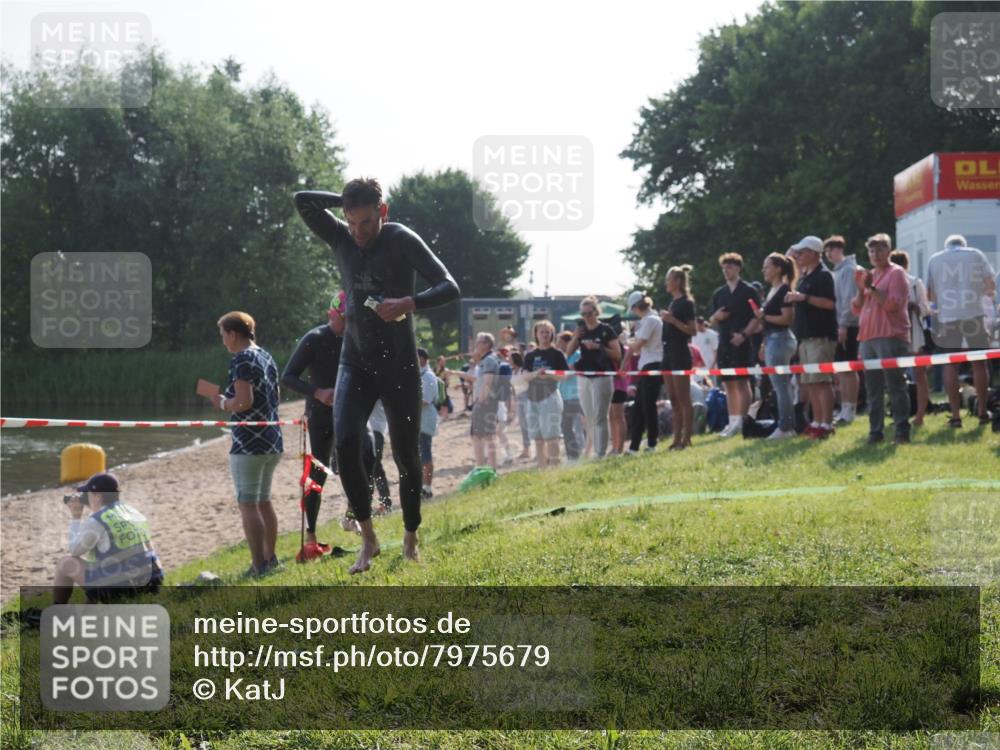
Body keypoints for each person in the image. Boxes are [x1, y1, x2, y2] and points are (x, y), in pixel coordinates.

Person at [294, 178, 460, 574]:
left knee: (406, 458)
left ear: (382, 213)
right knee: (347, 441)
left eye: (366, 222)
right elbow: (303, 201)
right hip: (355, 361)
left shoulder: (401, 239)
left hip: (399, 364)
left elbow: (450, 286)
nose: (358, 232)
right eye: (351, 221)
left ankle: (411, 534)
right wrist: (346, 203)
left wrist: (410, 302)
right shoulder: (342, 238)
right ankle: (368, 539)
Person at [217, 311, 284, 576]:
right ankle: (271, 559)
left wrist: (223, 402)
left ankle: (258, 566)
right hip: (273, 438)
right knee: (264, 502)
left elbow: (244, 402)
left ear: (233, 334)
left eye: (223, 335)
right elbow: (276, 397)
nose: (223, 341)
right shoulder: (266, 356)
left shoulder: (241, 359)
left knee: (248, 503)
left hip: (248, 443)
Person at [281, 292, 345, 561]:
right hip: (319, 415)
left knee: (363, 459)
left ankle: (359, 521)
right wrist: (317, 392)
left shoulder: (356, 338)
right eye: (344, 319)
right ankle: (311, 536)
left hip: (348, 413)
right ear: (332, 314)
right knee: (316, 475)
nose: (349, 324)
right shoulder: (315, 339)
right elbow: (288, 377)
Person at [53, 473, 163, 604]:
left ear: (98, 496)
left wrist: (76, 517)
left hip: (123, 589)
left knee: (66, 563)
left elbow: (74, 550)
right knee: (104, 567)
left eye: (88, 494)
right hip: (153, 583)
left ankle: (57, 610)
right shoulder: (133, 512)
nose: (86, 497)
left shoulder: (97, 520)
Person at [925, 234, 997, 427]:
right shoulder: (976, 254)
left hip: (948, 316)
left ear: (946, 245)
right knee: (979, 364)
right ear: (963, 244)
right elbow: (991, 286)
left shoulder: (935, 259)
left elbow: (930, 295)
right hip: (973, 313)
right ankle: (982, 412)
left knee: (950, 364)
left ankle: (955, 416)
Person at [851, 234, 912, 444]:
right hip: (868, 337)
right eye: (871, 251)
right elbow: (857, 308)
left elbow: (893, 305)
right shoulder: (869, 275)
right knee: (872, 388)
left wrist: (873, 289)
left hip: (890, 336)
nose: (875, 255)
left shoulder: (896, 274)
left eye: (880, 250)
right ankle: (875, 431)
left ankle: (902, 430)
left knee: (895, 385)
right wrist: (862, 289)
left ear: (889, 251)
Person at [785, 237, 838, 439]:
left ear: (815, 253)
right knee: (811, 382)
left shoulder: (823, 276)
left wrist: (804, 298)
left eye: (802, 252)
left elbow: (829, 304)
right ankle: (817, 420)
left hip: (820, 336)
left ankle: (826, 423)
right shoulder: (805, 277)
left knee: (822, 381)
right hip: (806, 337)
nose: (797, 256)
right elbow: (788, 258)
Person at [708, 253, 761, 437]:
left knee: (742, 381)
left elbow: (757, 317)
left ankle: (743, 420)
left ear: (738, 268)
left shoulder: (749, 291)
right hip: (724, 343)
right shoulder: (719, 293)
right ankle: (732, 422)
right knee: (728, 384)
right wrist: (717, 317)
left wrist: (744, 334)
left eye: (729, 267)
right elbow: (710, 320)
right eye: (723, 268)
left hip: (742, 342)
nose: (726, 271)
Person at [566, 296, 621, 458]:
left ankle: (600, 452)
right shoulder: (581, 331)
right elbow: (568, 353)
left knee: (600, 415)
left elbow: (617, 355)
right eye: (583, 314)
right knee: (589, 417)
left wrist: (599, 347)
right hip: (584, 376)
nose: (586, 317)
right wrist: (575, 337)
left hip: (602, 375)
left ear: (596, 312)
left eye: (589, 313)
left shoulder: (606, 329)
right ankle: (597, 449)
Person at [754, 253, 798, 439]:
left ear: (778, 269)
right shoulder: (773, 290)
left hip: (780, 339)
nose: (764, 270)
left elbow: (787, 318)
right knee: (781, 385)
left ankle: (786, 427)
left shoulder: (784, 290)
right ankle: (786, 425)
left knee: (781, 386)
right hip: (773, 339)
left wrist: (764, 316)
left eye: (767, 266)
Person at [890, 249, 932, 426]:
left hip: (913, 333)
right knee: (895, 376)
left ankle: (920, 415)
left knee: (919, 374)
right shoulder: (887, 281)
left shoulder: (915, 283)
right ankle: (900, 415)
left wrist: (913, 306)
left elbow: (925, 309)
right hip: (893, 332)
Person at [823, 235, 861, 425]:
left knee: (848, 368)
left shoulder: (848, 270)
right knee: (842, 369)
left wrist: (844, 324)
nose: (828, 254)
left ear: (840, 249)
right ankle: (845, 407)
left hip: (849, 325)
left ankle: (850, 409)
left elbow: (848, 300)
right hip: (839, 324)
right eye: (826, 251)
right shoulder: (837, 271)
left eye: (831, 249)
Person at [661, 266, 698, 450]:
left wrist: (672, 321)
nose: (666, 283)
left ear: (677, 281)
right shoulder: (672, 303)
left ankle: (687, 438)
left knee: (684, 398)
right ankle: (676, 439)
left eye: (669, 279)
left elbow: (693, 330)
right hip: (667, 354)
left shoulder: (686, 303)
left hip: (680, 353)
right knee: (673, 399)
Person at [522, 320, 568, 468]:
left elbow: (564, 376)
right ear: (536, 334)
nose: (545, 335)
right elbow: (524, 376)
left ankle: (555, 467)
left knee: (552, 436)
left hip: (550, 396)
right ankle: (542, 468)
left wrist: (548, 375)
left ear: (552, 334)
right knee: (538, 437)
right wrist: (536, 374)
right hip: (532, 397)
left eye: (547, 332)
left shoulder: (557, 354)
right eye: (541, 332)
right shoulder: (530, 355)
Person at [626, 291, 664, 452]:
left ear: (636, 307)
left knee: (647, 407)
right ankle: (635, 446)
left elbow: (637, 346)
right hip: (647, 366)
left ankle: (651, 444)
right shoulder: (648, 320)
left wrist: (625, 341)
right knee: (640, 408)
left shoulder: (650, 320)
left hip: (653, 366)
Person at [466, 332, 501, 469]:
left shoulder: (489, 360)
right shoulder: (487, 360)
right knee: (486, 436)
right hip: (488, 402)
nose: (476, 344)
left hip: (485, 403)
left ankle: (483, 468)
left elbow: (488, 383)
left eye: (479, 342)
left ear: (487, 344)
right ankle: (487, 467)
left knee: (480, 436)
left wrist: (480, 402)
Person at [555, 331, 585, 460]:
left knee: (584, 426)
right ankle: (572, 455)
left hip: (577, 395)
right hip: (564, 396)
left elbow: (568, 372)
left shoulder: (577, 355)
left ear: (568, 342)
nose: (557, 344)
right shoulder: (562, 356)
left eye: (560, 342)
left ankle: (587, 450)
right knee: (566, 427)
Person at [417, 348, 438, 499]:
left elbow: (426, 400)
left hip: (425, 420)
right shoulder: (419, 375)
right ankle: (421, 486)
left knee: (426, 455)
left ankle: (427, 488)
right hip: (417, 421)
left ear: (423, 359)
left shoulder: (429, 376)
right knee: (418, 456)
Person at [610, 331, 630, 455]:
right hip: (610, 386)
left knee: (618, 417)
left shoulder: (624, 350)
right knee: (612, 417)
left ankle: (620, 447)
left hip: (619, 386)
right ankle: (614, 447)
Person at [509, 351, 532, 459]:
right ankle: (526, 450)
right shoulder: (513, 372)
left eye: (510, 358)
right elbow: (513, 387)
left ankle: (535, 449)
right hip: (519, 398)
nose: (508, 360)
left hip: (527, 397)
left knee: (530, 424)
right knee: (523, 425)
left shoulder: (523, 370)